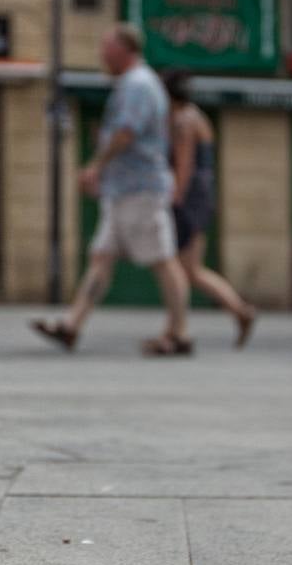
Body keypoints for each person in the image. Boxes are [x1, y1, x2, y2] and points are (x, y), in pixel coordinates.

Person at [32, 25, 193, 356]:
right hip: (124, 190)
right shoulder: (134, 83)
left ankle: (178, 334)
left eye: (106, 47)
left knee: (163, 260)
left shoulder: (137, 84)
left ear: (125, 50)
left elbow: (125, 133)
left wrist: (95, 167)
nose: (101, 54)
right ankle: (71, 327)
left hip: (141, 190)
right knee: (101, 257)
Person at [162, 70, 257, 348]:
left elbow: (184, 166)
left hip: (190, 201)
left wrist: (174, 201)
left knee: (178, 269)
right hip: (199, 199)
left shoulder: (183, 121)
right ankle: (240, 312)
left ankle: (176, 329)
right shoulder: (194, 116)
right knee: (190, 269)